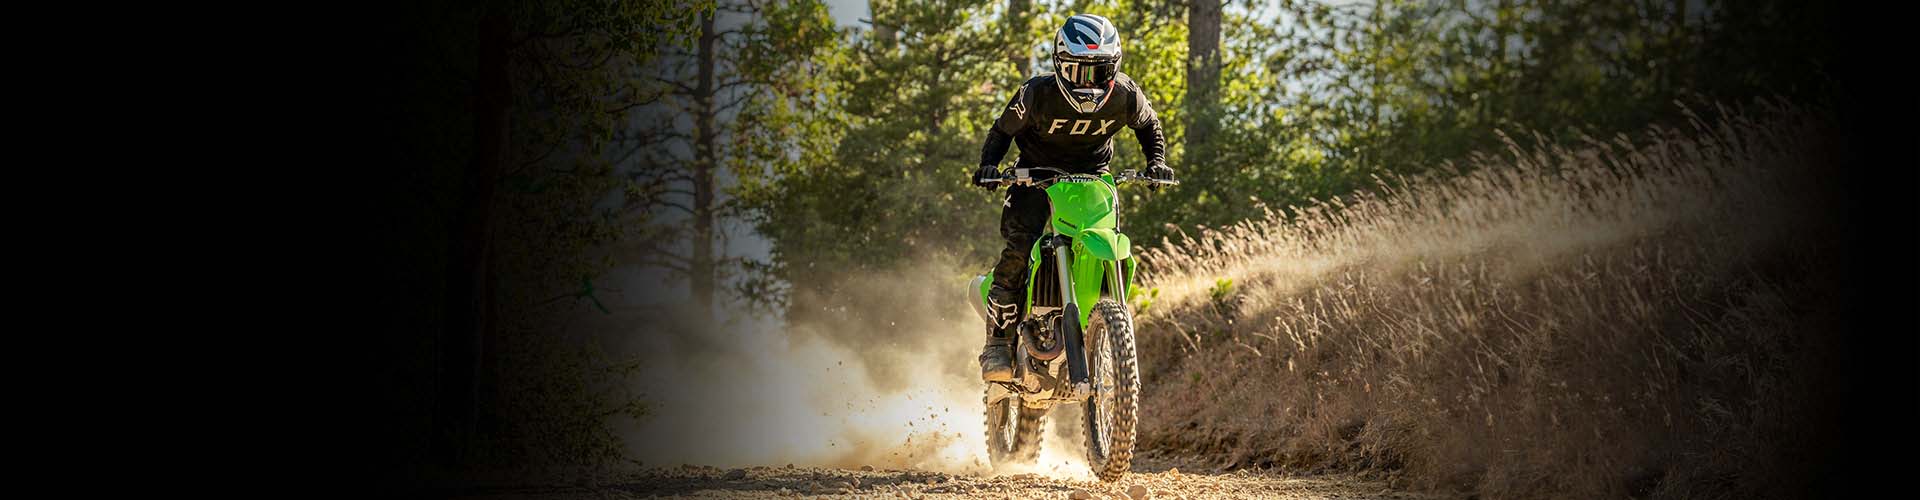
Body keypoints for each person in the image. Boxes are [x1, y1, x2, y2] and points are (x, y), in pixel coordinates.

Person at [971, 13, 1174, 382]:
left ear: (1115, 66)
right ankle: (998, 343)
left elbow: (1149, 126)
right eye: (1078, 71)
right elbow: (1002, 130)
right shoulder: (1036, 93)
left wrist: (1156, 162)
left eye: (1099, 71)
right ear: (1059, 64)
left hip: (1092, 177)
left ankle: (1100, 320)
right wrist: (989, 166)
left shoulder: (1127, 94)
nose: (1088, 82)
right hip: (1033, 176)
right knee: (1019, 248)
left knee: (1102, 238)